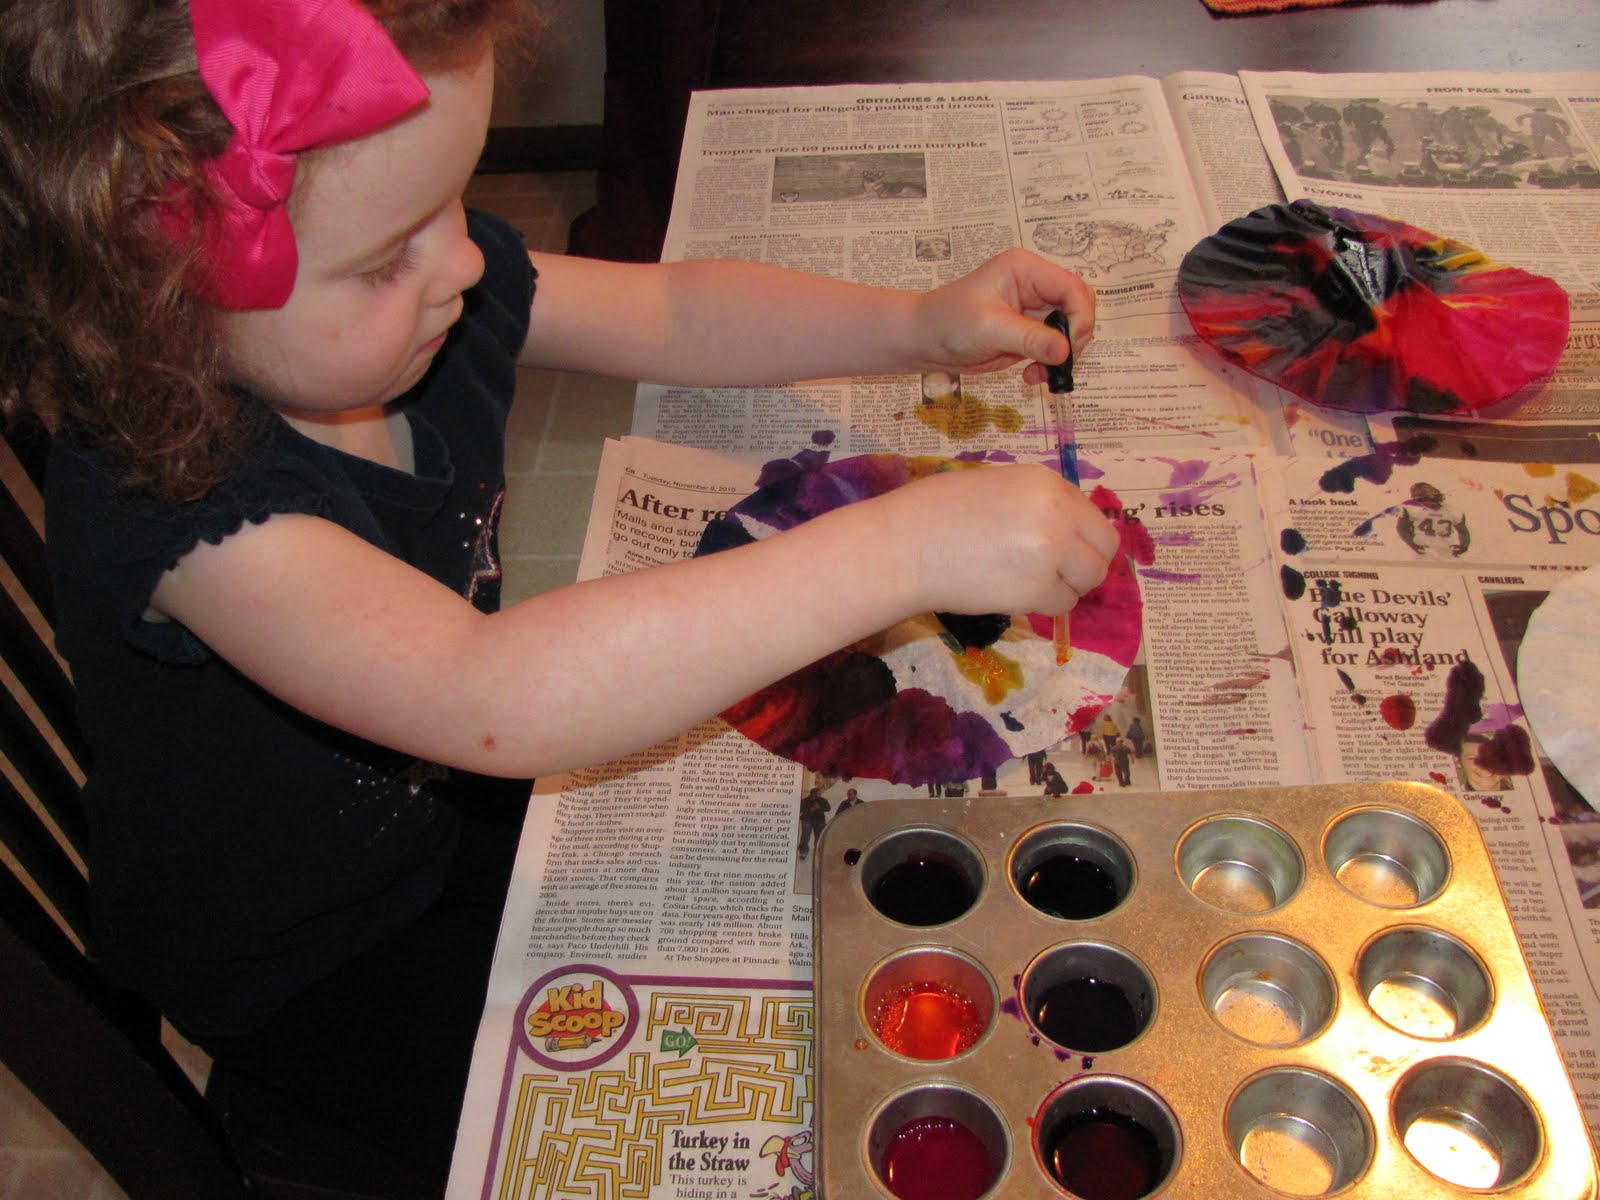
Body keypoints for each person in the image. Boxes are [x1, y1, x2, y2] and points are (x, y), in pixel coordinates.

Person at [1, 0, 1117, 1188]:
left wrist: (915, 327)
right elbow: (490, 694)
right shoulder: (171, 494)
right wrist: (901, 551)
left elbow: (672, 310)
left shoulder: (413, 306)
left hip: (433, 821)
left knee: (832, 925)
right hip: (302, 957)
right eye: (389, 253)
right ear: (158, 286)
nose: (466, 262)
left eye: (452, 204)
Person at [796, 786, 832, 857]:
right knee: (805, 837)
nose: (820, 794)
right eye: (819, 793)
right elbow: (800, 810)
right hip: (807, 820)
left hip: (819, 820)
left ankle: (817, 852)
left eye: (820, 793)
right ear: (813, 793)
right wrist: (810, 809)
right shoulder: (805, 800)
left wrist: (820, 807)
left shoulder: (823, 800)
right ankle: (803, 852)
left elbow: (828, 808)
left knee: (819, 837)